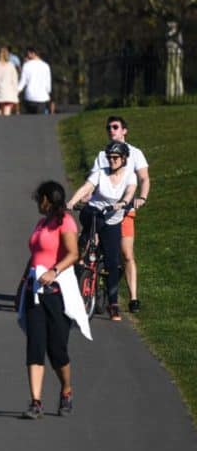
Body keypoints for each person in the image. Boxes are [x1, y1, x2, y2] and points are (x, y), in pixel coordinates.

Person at [16, 181, 90, 420]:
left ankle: (66, 390)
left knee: (57, 350)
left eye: (39, 198)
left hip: (56, 293)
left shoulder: (65, 222)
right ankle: (36, 401)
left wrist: (54, 271)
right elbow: (35, 256)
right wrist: (22, 284)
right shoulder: (41, 223)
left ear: (48, 199)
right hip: (34, 291)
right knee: (35, 346)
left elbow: (73, 253)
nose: (37, 202)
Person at [67, 140, 137, 321]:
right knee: (91, 216)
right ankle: (84, 248)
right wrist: (73, 201)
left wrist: (122, 203)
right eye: (109, 157)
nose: (112, 160)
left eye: (115, 157)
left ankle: (113, 304)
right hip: (93, 213)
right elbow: (87, 188)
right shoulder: (101, 173)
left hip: (112, 220)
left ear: (124, 159)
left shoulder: (130, 176)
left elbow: (130, 193)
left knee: (113, 263)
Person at [91, 116, 150, 313]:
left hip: (124, 211)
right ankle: (92, 287)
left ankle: (133, 298)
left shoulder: (135, 153)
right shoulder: (102, 155)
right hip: (103, 209)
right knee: (93, 248)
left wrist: (141, 197)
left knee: (126, 253)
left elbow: (144, 178)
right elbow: (93, 179)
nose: (111, 130)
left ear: (124, 130)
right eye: (108, 127)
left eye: (115, 127)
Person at [18, 47, 52, 115]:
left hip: (29, 96)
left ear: (32, 53)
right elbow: (48, 84)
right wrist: (48, 92)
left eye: (28, 53)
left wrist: (17, 91)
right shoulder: (46, 66)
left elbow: (22, 82)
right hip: (42, 97)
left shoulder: (26, 65)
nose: (27, 55)